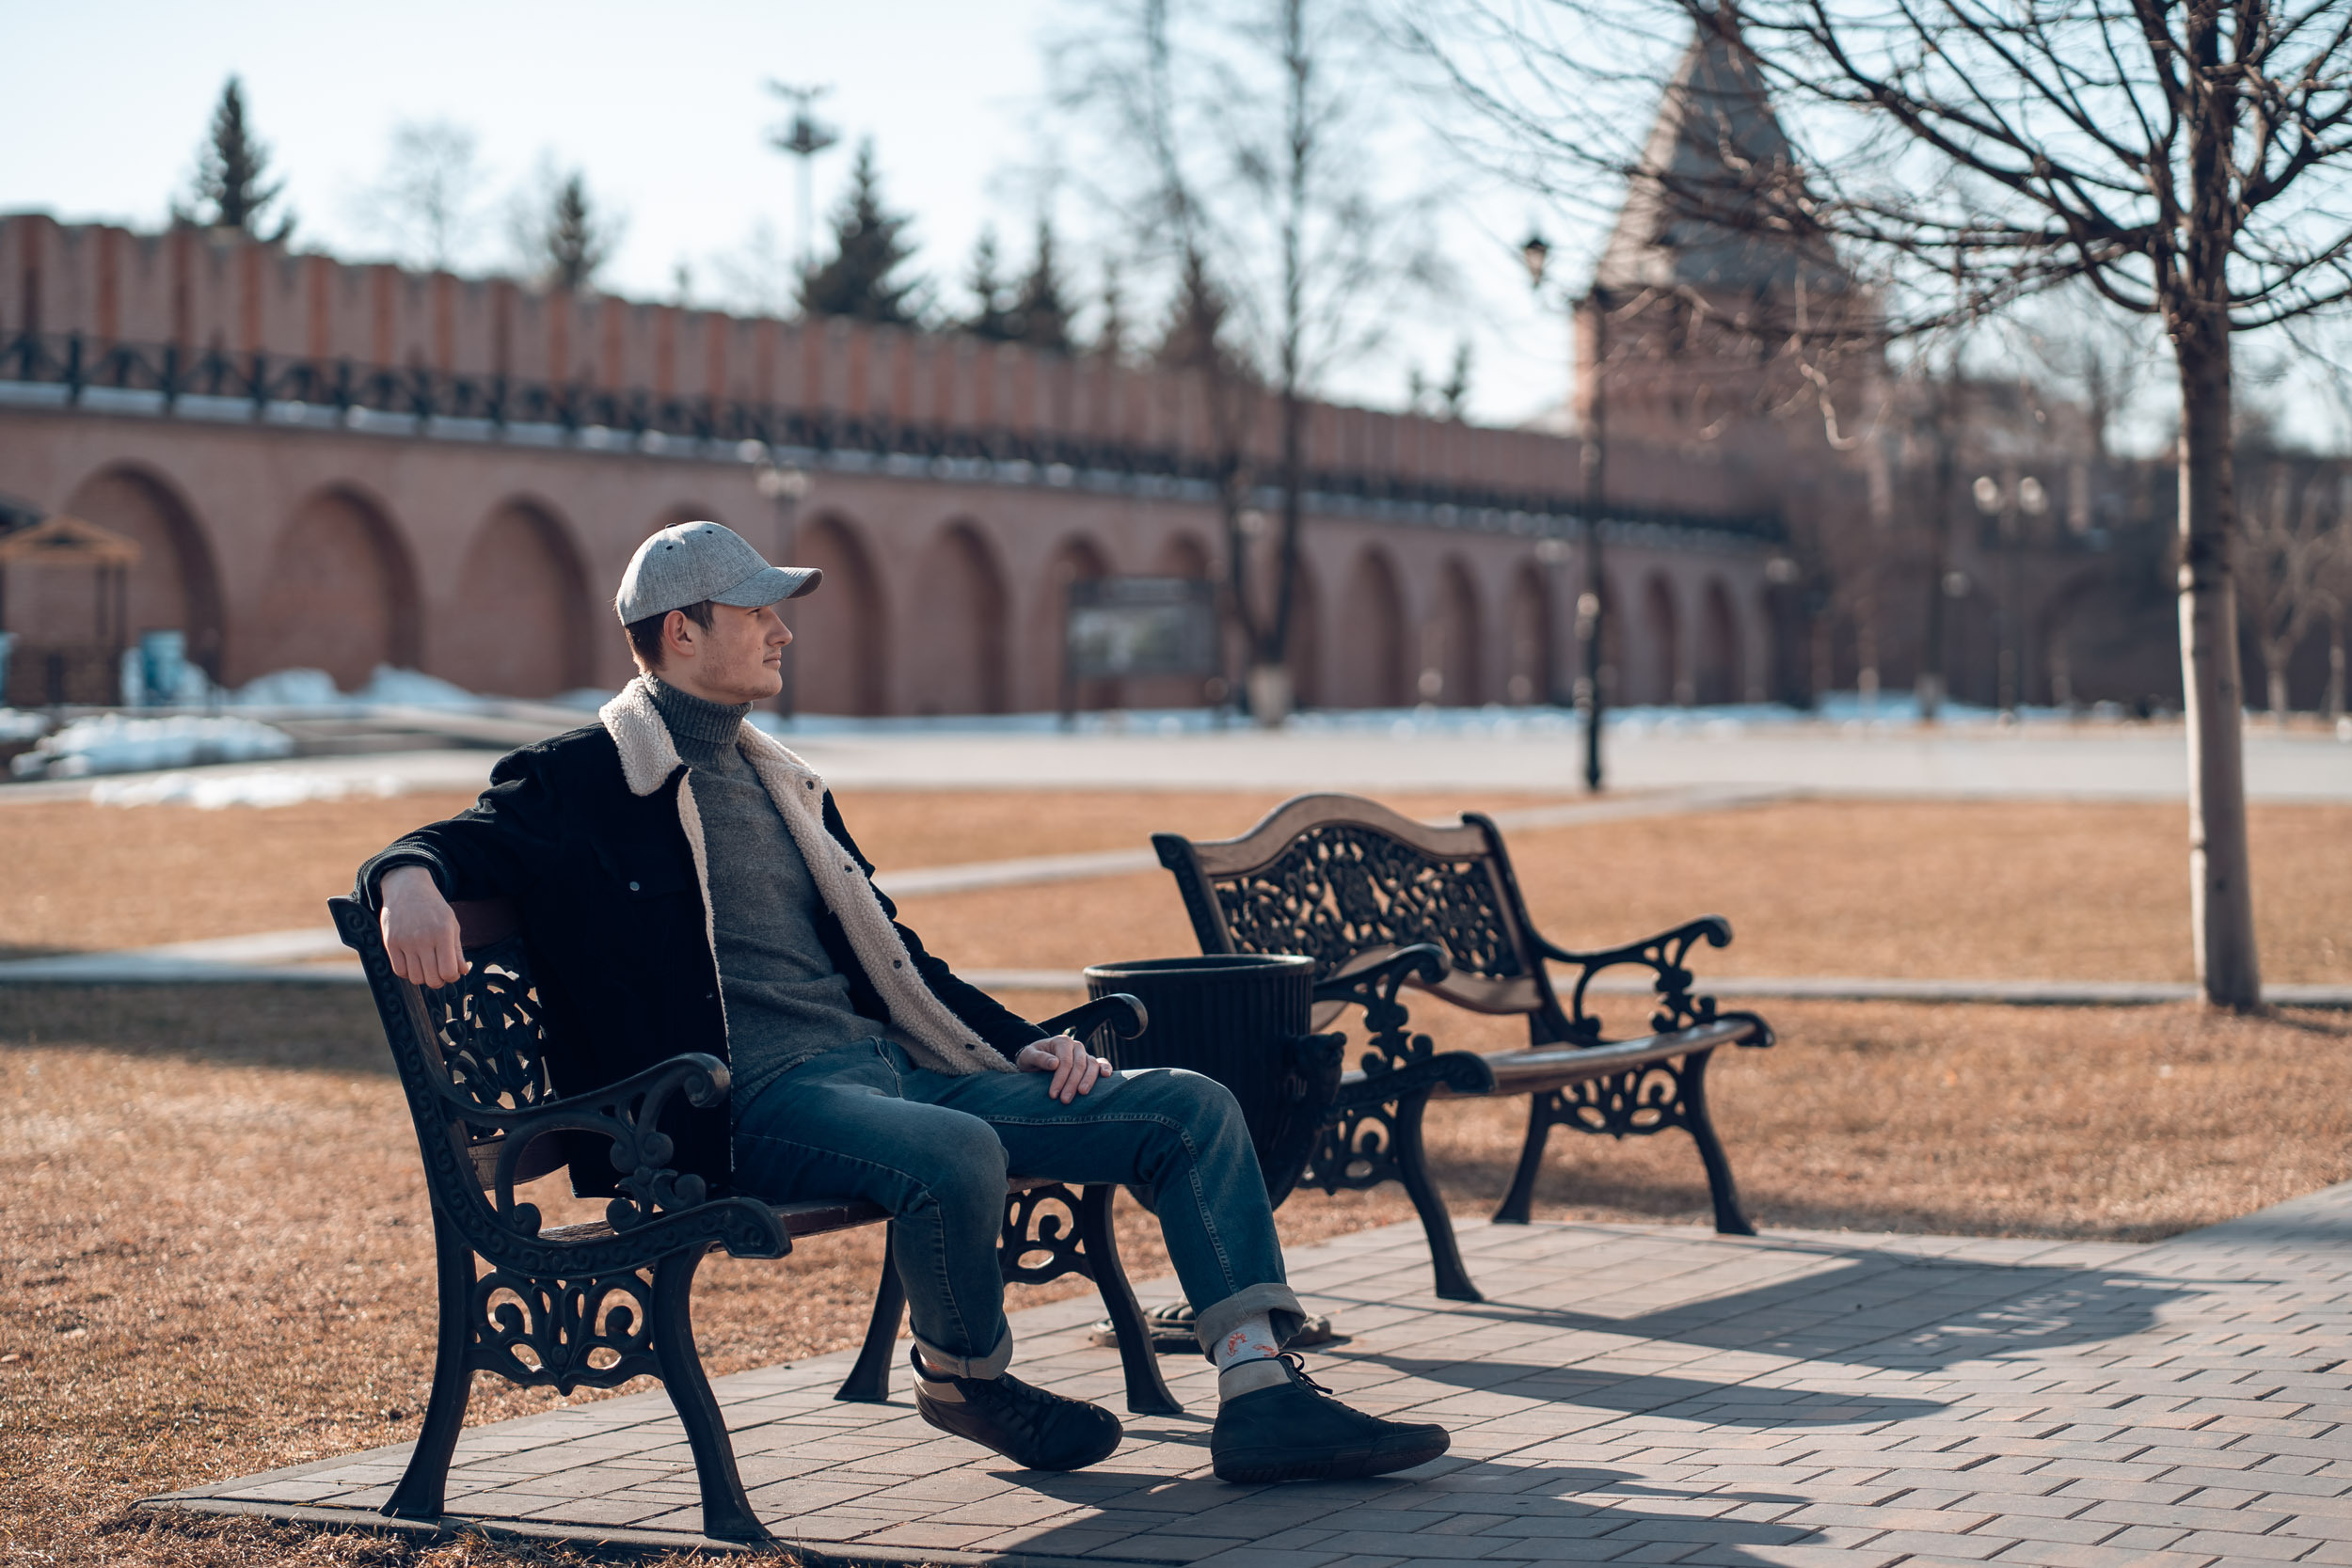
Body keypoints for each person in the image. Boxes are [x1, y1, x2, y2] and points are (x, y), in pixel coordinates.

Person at [358, 519, 1448, 1485]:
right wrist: (405, 878)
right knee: (957, 1150)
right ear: (680, 632)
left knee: (1186, 1105)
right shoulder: (582, 777)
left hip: (890, 1071)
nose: (784, 632)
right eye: (760, 613)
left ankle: (1259, 1392)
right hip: (743, 1106)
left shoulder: (781, 780)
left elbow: (898, 959)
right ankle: (962, 1377)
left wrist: (1029, 1043)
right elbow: (449, 843)